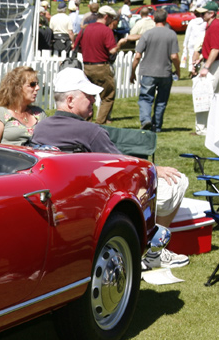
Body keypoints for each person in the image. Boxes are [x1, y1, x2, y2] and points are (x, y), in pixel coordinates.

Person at [31, 68, 189, 269]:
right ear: (70, 100)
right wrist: (155, 169)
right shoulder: (91, 132)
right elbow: (124, 167)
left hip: (57, 197)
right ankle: (152, 250)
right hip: (97, 200)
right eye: (88, 96)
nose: (94, 101)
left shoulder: (40, 129)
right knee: (179, 180)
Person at [130, 8, 179, 133]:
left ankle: (145, 119)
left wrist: (132, 71)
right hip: (165, 71)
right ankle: (157, 126)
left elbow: (137, 56)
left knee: (146, 98)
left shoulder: (147, 34)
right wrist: (177, 70)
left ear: (153, 18)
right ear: (166, 19)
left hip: (148, 71)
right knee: (161, 101)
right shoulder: (171, 34)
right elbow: (174, 56)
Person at [76, 6, 119, 124]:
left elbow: (77, 47)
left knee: (88, 96)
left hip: (87, 67)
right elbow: (112, 51)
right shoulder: (106, 30)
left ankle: (87, 121)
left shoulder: (85, 29)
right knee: (108, 96)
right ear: (106, 17)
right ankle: (100, 123)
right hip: (101, 66)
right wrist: (120, 44)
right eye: (111, 18)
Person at [0, 66, 45, 146]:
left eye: (37, 84)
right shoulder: (0, 113)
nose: (38, 88)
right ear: (17, 88)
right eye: (32, 84)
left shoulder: (39, 113)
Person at [182, 8, 206, 76]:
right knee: (199, 56)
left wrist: (185, 43)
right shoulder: (205, 22)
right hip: (200, 41)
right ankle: (197, 69)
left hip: (192, 41)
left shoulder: (192, 22)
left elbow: (188, 33)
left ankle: (191, 69)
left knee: (191, 56)